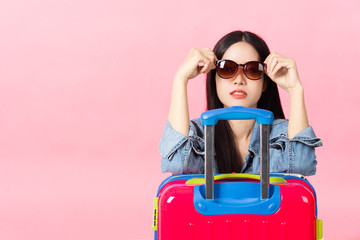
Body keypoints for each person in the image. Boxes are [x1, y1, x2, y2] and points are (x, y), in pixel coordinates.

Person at [159, 30, 322, 176]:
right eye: (226, 68)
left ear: (265, 82)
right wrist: (180, 79)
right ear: (214, 80)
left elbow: (301, 165)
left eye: (252, 70)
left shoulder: (284, 135)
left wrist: (295, 89)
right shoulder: (198, 134)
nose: (239, 80)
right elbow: (176, 164)